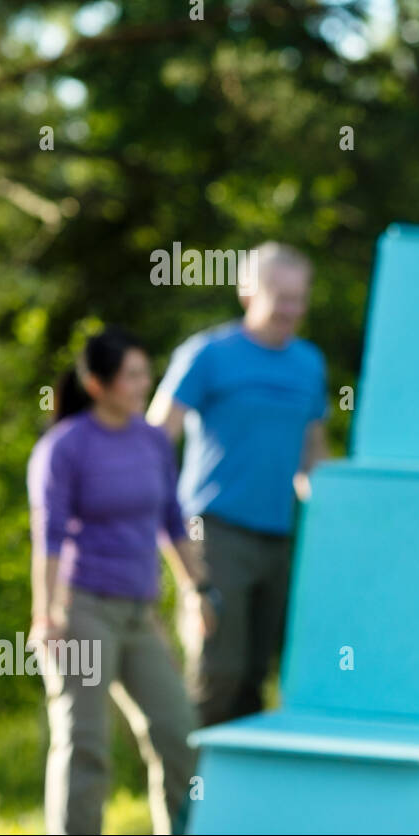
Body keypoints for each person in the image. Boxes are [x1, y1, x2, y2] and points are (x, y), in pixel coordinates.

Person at [28, 325, 204, 834]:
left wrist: (197, 589)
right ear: (98, 384)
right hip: (81, 609)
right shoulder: (65, 448)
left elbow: (172, 521)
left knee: (177, 731)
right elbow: (51, 536)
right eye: (132, 376)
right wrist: (47, 612)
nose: (144, 384)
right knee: (85, 743)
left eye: (146, 373)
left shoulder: (152, 441)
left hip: (138, 612)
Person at [147, 242, 330, 727]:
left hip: (279, 534)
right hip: (212, 528)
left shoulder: (309, 363)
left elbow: (312, 456)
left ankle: (239, 792)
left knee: (257, 671)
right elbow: (152, 441)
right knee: (217, 669)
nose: (290, 309)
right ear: (247, 291)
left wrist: (335, 516)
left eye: (299, 298)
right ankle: (190, 792)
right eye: (280, 296)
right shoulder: (208, 354)